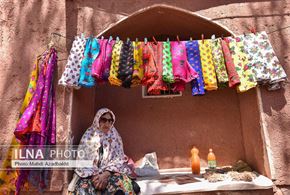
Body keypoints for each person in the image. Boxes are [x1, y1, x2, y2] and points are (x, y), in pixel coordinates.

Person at [68, 108, 140, 195]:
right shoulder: (89, 136)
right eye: (104, 120)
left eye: (110, 121)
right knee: (84, 191)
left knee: (121, 189)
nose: (107, 123)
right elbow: (83, 160)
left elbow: (118, 159)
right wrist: (96, 177)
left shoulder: (114, 136)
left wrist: (106, 174)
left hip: (110, 172)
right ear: (97, 120)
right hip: (90, 174)